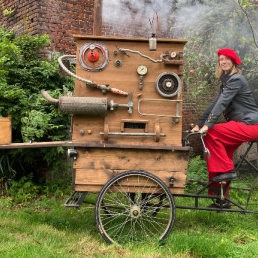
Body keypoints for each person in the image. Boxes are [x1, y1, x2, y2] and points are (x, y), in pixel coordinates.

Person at [191, 48, 258, 208]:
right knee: (216, 154)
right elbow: (214, 104)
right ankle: (221, 200)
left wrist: (208, 125)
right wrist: (199, 124)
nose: (223, 62)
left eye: (227, 59)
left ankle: (228, 170)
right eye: (221, 59)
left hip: (251, 125)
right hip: (241, 125)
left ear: (233, 61)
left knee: (212, 133)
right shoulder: (226, 82)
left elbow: (222, 104)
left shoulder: (237, 80)